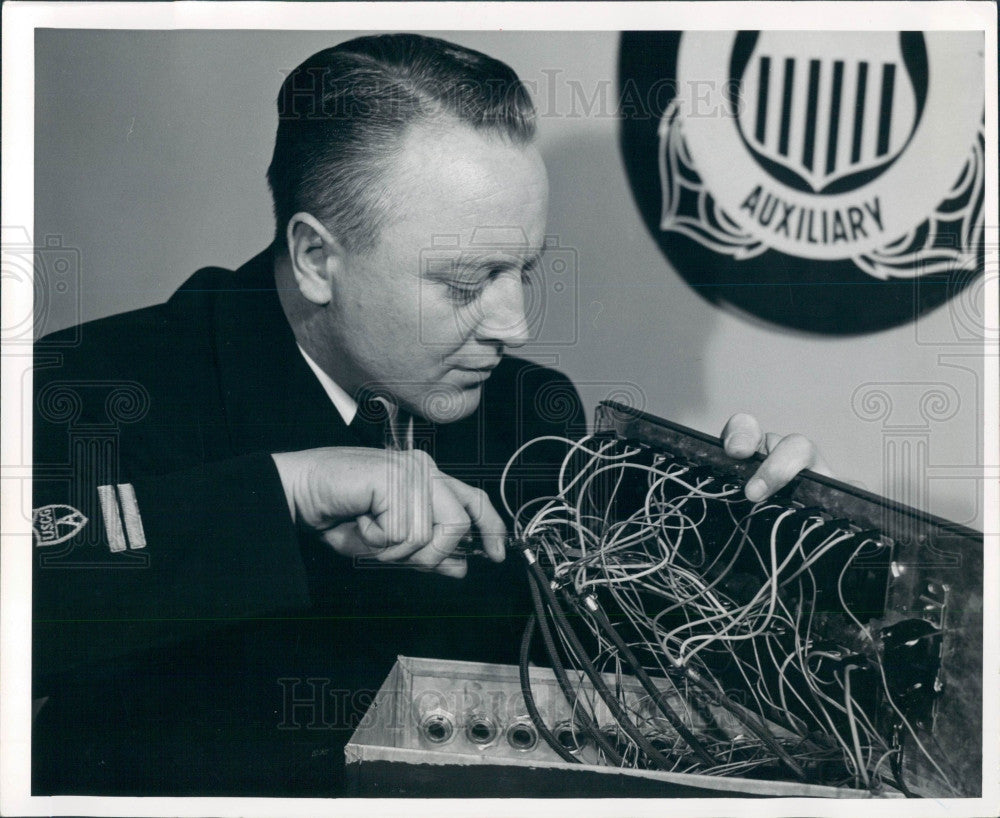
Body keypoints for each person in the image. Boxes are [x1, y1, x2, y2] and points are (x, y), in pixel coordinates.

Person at [30, 33, 831, 796]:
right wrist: (285, 490)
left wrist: (744, 561)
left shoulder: (530, 411)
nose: (513, 324)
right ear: (317, 259)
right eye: (462, 283)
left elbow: (616, 694)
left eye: (524, 270)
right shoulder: (99, 386)